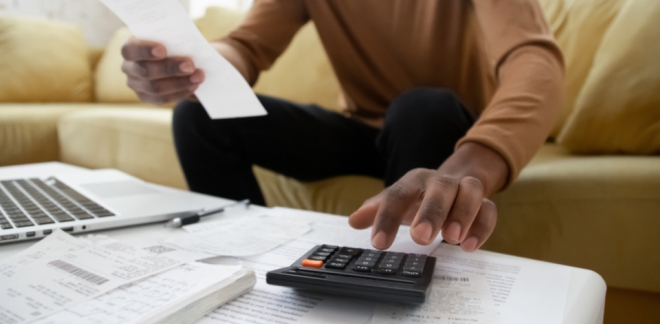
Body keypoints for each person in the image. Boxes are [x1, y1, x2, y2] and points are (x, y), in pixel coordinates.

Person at [120, 0, 563, 252]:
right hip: (361, 132)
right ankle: (241, 259)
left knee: (420, 106)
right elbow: (246, 46)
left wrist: (472, 162)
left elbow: (534, 58)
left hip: (442, 135)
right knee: (199, 117)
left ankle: (398, 274)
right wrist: (191, 68)